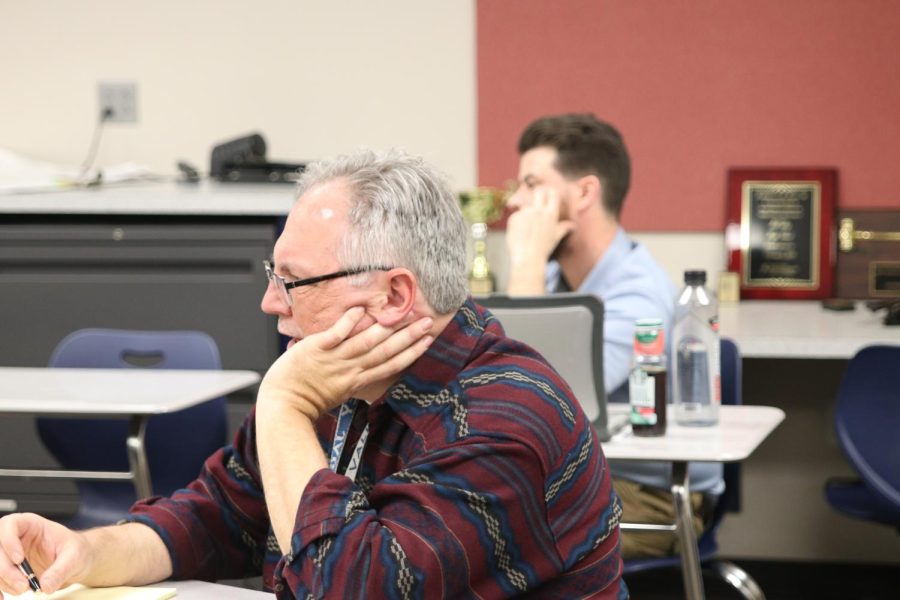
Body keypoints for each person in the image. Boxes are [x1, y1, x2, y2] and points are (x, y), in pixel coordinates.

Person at [0, 149, 626, 599]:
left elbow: (352, 588)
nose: (271, 303)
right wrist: (87, 553)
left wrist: (281, 405)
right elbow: (215, 515)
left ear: (393, 296)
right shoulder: (340, 383)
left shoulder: (503, 422)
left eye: (292, 282)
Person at [505, 113, 723, 558]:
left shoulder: (637, 293)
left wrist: (525, 261)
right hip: (576, 478)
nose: (515, 201)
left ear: (584, 192)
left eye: (531, 183)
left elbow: (540, 398)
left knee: (494, 540)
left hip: (650, 493)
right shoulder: (553, 277)